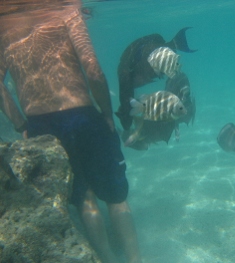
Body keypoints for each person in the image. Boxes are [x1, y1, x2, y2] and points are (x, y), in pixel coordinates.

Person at [0, 1, 142, 262]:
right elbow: (93, 70)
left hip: (40, 125)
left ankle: (107, 258)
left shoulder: (4, 27)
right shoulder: (66, 12)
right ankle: (136, 260)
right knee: (116, 197)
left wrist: (21, 125)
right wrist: (107, 114)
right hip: (82, 116)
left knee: (84, 198)